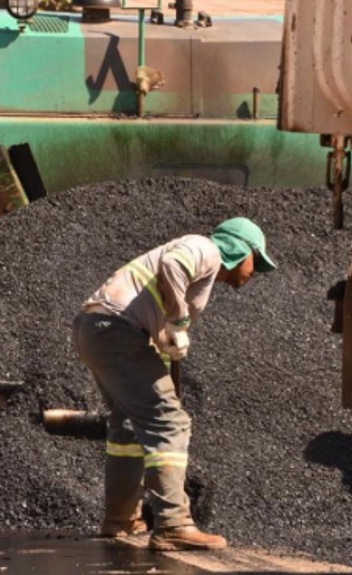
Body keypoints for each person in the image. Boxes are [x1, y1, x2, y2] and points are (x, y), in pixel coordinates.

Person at [73, 217, 276, 551]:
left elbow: (159, 328)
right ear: (241, 249)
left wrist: (169, 339)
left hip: (97, 329)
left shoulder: (204, 272)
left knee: (127, 425)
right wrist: (179, 322)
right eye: (257, 260)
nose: (256, 272)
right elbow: (173, 264)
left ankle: (120, 519)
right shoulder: (206, 248)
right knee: (169, 421)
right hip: (114, 331)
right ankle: (173, 524)